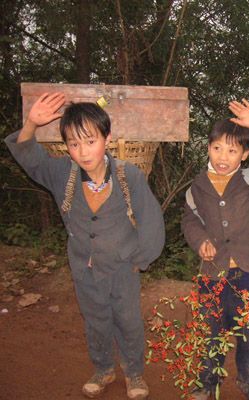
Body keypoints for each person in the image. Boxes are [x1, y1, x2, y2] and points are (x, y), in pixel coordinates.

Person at [5, 93, 165, 399]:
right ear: (66, 146)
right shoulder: (62, 175)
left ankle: (134, 373)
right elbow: (29, 158)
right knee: (96, 321)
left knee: (129, 321)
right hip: (84, 268)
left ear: (107, 138)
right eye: (74, 144)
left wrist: (140, 260)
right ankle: (103, 369)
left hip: (123, 267)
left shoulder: (128, 176)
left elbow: (151, 221)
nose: (83, 151)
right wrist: (31, 124)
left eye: (90, 141)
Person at [181, 99, 249, 400]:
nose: (223, 156)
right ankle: (207, 383)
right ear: (208, 148)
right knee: (210, 331)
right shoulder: (197, 186)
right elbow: (189, 220)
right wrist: (200, 241)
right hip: (212, 274)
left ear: (245, 154)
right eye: (217, 148)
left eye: (232, 150)